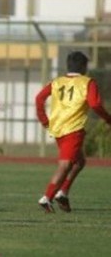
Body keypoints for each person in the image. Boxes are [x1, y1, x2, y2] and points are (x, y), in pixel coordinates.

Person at [35, 51, 111, 213]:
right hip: (73, 129)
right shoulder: (87, 82)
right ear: (84, 67)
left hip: (57, 128)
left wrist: (44, 120)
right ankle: (47, 197)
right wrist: (108, 119)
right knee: (66, 165)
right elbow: (95, 104)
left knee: (79, 162)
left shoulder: (57, 81)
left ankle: (63, 192)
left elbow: (39, 98)